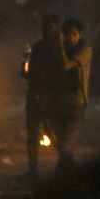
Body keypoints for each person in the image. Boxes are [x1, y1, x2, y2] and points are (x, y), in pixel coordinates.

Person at [22, 13, 65, 181]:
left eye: (51, 26)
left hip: (51, 97)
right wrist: (26, 70)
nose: (47, 29)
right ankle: (33, 171)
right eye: (45, 26)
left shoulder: (60, 49)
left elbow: (62, 74)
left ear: (57, 27)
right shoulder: (37, 48)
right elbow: (29, 72)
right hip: (34, 95)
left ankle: (66, 164)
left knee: (54, 133)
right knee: (32, 135)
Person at [51, 18, 92, 176]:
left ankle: (61, 176)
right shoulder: (59, 50)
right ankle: (71, 173)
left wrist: (60, 46)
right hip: (58, 102)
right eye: (67, 34)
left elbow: (66, 66)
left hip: (76, 103)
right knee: (60, 146)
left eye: (74, 34)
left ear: (80, 35)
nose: (71, 38)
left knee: (65, 146)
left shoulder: (85, 50)